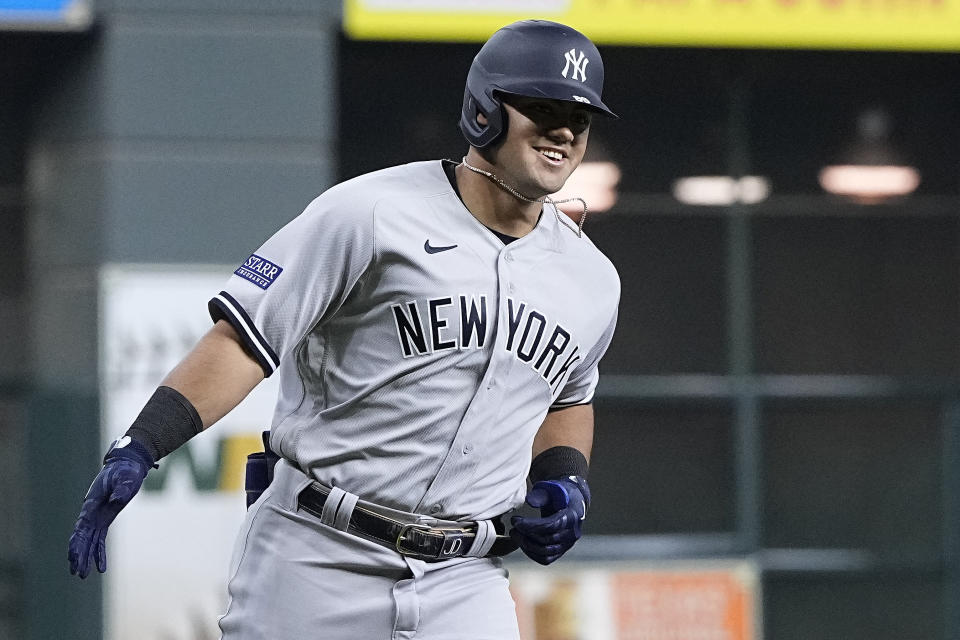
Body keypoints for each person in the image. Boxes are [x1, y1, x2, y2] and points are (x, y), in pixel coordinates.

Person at [68, 19, 620, 639]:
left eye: (580, 115)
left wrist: (563, 480)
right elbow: (244, 341)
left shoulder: (591, 278)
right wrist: (143, 445)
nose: (564, 130)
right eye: (542, 107)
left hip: (466, 577)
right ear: (485, 112)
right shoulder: (371, 211)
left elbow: (570, 395)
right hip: (318, 550)